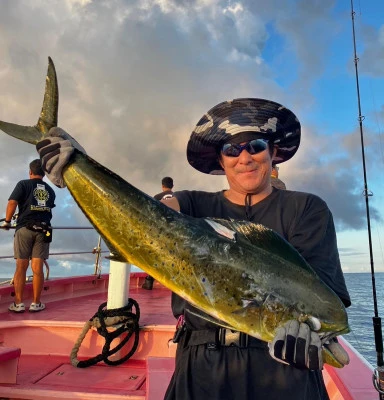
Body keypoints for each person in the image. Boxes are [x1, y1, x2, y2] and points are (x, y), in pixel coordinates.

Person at [35, 98, 351, 399]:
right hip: (202, 368)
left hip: (284, 373)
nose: (245, 157)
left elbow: (322, 292)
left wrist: (307, 335)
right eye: (232, 149)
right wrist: (78, 168)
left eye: (255, 146)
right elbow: (157, 210)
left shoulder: (307, 209)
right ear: (220, 159)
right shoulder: (193, 203)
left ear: (273, 151)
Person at [1, 159, 55, 313]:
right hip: (44, 230)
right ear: (44, 174)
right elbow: (48, 208)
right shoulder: (50, 191)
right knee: (37, 267)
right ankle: (36, 303)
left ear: (30, 172)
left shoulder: (23, 184)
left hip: (24, 228)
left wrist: (7, 221)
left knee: (21, 265)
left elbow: (12, 202)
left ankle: (18, 304)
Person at [142, 176, 175, 290]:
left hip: (160, 232)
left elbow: (152, 214)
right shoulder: (178, 197)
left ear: (162, 186)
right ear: (172, 186)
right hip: (175, 232)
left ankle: (149, 281)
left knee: (155, 256)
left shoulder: (156, 197)